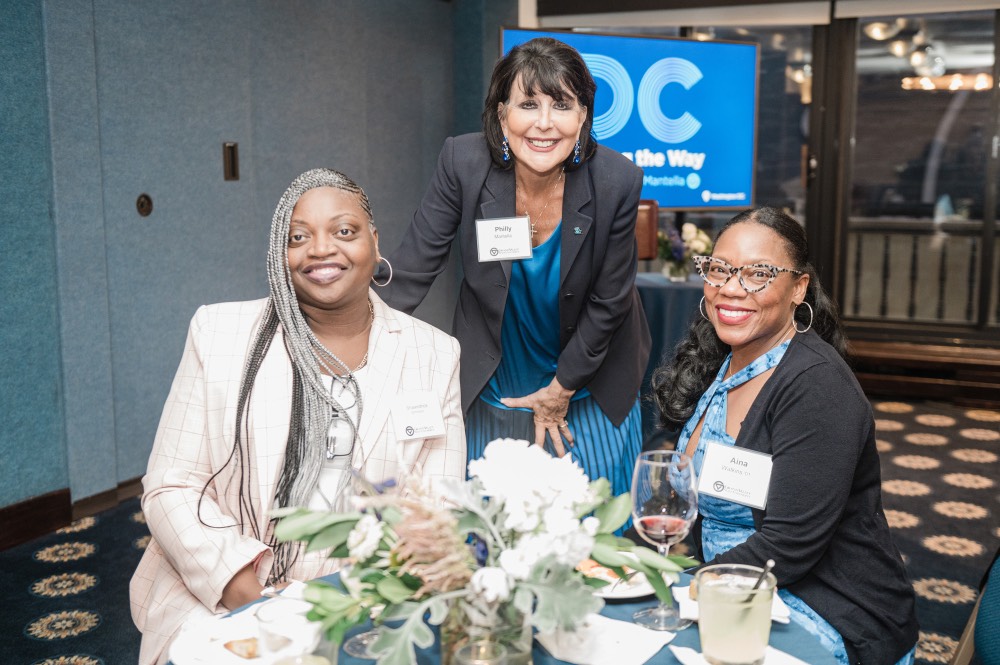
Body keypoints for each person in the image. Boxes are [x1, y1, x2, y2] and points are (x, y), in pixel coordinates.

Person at [129, 169, 466, 665]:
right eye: (298, 237)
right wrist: (257, 600)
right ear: (278, 254)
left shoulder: (434, 353)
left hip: (366, 602)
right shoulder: (220, 334)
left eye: (344, 231)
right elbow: (172, 487)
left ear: (375, 242)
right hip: (225, 598)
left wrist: (348, 599)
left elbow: (436, 511)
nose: (321, 249)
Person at [379, 37, 650, 498]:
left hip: (588, 380)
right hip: (495, 379)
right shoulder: (463, 163)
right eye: (528, 104)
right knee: (490, 520)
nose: (545, 123)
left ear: (583, 116)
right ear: (502, 114)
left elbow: (609, 302)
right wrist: (347, 342)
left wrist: (561, 389)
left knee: (593, 522)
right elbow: (410, 271)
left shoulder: (616, 180)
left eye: (561, 105)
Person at [652, 206, 918, 665]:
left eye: (759, 274)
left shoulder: (817, 386)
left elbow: (789, 546)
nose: (731, 287)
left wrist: (688, 589)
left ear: (798, 288)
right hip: (731, 584)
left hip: (823, 606)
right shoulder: (721, 359)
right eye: (720, 269)